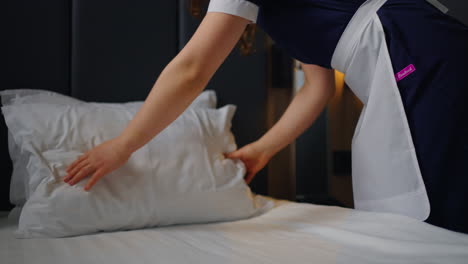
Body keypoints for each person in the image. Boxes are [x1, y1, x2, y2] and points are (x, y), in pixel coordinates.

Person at [64, 0, 468, 234]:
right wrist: (261, 151)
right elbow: (318, 88)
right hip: (425, 47)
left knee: (428, 218)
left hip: (418, 55)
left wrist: (123, 144)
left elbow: (192, 69)